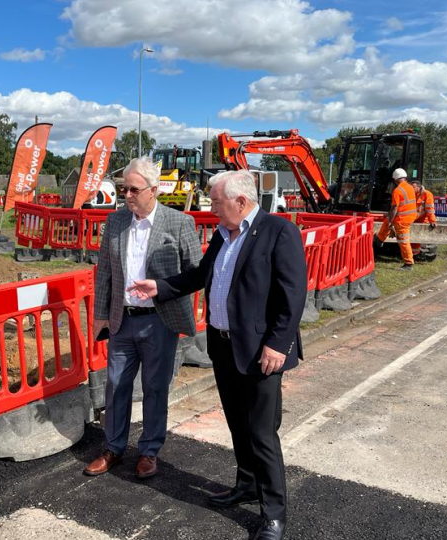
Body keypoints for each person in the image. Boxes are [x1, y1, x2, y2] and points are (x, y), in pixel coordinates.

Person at [127, 170, 307, 540]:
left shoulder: (277, 231)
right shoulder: (224, 237)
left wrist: (278, 343)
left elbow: (293, 295)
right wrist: (159, 287)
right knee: (238, 424)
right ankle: (247, 484)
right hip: (224, 347)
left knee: (261, 432)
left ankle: (273, 513)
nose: (211, 210)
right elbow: (198, 276)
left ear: (241, 202)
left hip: (261, 351)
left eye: (216, 202)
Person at [84, 156, 202, 480]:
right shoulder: (116, 222)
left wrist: (162, 289)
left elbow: (196, 274)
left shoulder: (179, 224)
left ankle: (149, 451)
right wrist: (99, 318)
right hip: (123, 321)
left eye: (133, 189)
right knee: (116, 385)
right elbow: (105, 273)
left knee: (154, 388)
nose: (127, 195)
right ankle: (113, 448)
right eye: (124, 189)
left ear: (153, 190)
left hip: (159, 322)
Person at [374, 168, 418, 270]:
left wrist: (390, 221)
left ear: (395, 180)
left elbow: (394, 208)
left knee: (403, 241)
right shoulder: (410, 187)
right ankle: (380, 239)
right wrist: (389, 218)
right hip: (410, 216)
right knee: (386, 221)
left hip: (403, 219)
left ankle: (408, 263)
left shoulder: (397, 191)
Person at [410, 178, 438, 260]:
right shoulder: (412, 194)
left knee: (419, 238)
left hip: (423, 220)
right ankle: (413, 254)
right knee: (412, 239)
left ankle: (416, 255)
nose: (412, 189)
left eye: (413, 188)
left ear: (419, 187)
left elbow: (430, 210)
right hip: (413, 219)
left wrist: (432, 221)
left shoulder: (427, 194)